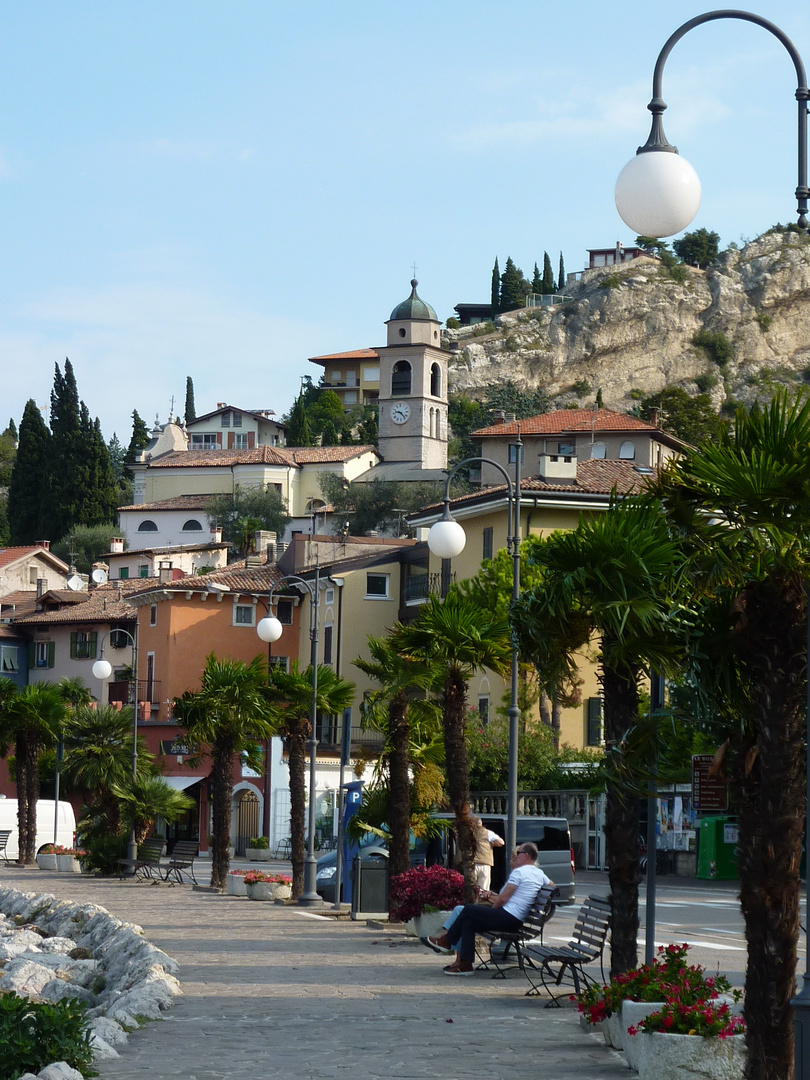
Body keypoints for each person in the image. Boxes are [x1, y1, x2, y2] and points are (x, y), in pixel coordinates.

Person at [423, 843, 552, 975]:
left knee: (468, 909)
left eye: (518, 853)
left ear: (526, 856)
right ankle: (465, 964)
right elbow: (552, 886)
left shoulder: (520, 872)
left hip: (507, 917)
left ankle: (447, 941)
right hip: (515, 921)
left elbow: (503, 899)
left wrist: (493, 909)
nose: (515, 856)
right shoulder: (539, 873)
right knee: (468, 923)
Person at [473, 816, 504, 890]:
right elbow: (501, 842)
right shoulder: (488, 833)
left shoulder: (468, 833)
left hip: (472, 864)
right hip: (485, 864)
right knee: (483, 889)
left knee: (471, 890)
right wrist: (492, 844)